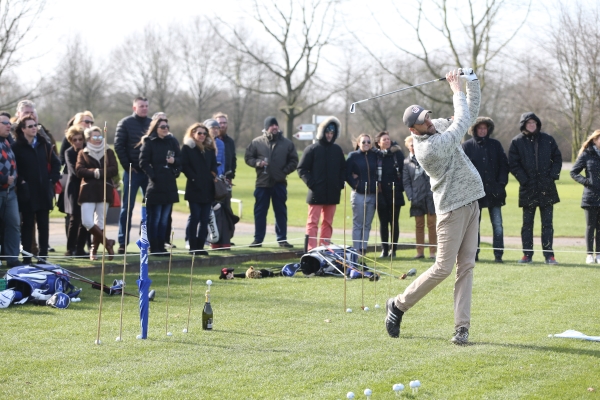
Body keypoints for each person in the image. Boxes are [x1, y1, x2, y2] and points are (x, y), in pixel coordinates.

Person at [385, 69, 482, 345]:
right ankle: (398, 305)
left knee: (467, 267)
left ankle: (461, 328)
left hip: (472, 201)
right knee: (442, 268)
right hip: (451, 209)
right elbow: (461, 121)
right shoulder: (428, 148)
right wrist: (455, 91)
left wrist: (471, 81)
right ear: (412, 130)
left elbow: (469, 115)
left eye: (427, 116)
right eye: (423, 121)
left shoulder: (436, 125)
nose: (429, 121)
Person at [508, 112, 562, 265]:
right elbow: (513, 164)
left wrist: (552, 176)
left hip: (547, 189)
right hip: (528, 189)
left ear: (537, 124)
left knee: (547, 224)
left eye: (533, 122)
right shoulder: (517, 142)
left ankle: (549, 256)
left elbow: (557, 159)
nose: (531, 125)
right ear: (524, 125)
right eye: (528, 123)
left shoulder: (548, 140)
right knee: (527, 225)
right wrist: (524, 180)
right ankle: (527, 255)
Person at [12, 114, 61, 264]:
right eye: (30, 126)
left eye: (35, 126)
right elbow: (14, 169)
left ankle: (43, 256)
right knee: (27, 226)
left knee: (44, 225)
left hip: (43, 191)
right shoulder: (16, 147)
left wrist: (51, 180)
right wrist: (21, 182)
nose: (34, 128)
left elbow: (56, 163)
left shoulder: (44, 144)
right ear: (22, 129)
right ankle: (27, 257)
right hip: (26, 192)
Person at [244, 116, 298, 248]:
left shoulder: (287, 143)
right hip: (262, 183)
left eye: (276, 125)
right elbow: (248, 157)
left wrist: (284, 172)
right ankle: (258, 239)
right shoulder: (257, 142)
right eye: (271, 125)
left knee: (280, 212)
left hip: (279, 183)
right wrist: (258, 163)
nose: (274, 127)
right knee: (260, 212)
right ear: (266, 128)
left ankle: (282, 239)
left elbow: (294, 161)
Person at [462, 117, 509, 263]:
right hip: (475, 194)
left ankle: (498, 255)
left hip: (495, 192)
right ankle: (473, 255)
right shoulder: (467, 146)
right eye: (480, 128)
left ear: (488, 129)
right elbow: (463, 169)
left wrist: (501, 184)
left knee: (498, 225)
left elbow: (504, 166)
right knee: (474, 226)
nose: (482, 130)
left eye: (485, 128)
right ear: (475, 130)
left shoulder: (496, 145)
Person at [297, 116, 346, 251]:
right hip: (316, 193)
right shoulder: (312, 149)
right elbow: (301, 169)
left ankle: (324, 249)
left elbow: (344, 169)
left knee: (328, 223)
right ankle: (311, 250)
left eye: (332, 133)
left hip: (333, 193)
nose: (329, 135)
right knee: (312, 223)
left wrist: (340, 184)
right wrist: (312, 184)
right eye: (327, 132)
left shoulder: (337, 150)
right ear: (322, 132)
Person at [114, 96, 152, 253]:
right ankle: (123, 242)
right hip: (132, 172)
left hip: (148, 173)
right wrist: (128, 166)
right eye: (141, 106)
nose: (144, 108)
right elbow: (119, 145)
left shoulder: (152, 123)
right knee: (127, 208)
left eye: (146, 106)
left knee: (148, 208)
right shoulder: (125, 123)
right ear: (134, 107)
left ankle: (145, 240)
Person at [139, 117, 181, 255]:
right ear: (156, 128)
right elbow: (143, 162)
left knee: (164, 220)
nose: (165, 129)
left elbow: (180, 160)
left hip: (169, 183)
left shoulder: (172, 141)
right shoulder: (149, 142)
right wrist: (154, 175)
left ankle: (161, 246)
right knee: (155, 218)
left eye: (167, 126)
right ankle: (154, 246)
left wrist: (174, 164)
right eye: (162, 127)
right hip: (156, 185)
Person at [76, 126, 118, 260]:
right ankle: (108, 243)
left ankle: (93, 251)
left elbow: (114, 169)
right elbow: (79, 170)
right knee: (87, 221)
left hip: (104, 189)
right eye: (95, 137)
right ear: (89, 138)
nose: (98, 139)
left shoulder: (108, 152)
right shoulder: (83, 152)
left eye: (100, 137)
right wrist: (95, 172)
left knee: (100, 222)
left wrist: (99, 172)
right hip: (87, 191)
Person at [181, 123, 218, 256]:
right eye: (199, 133)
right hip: (194, 187)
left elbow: (214, 165)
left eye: (204, 133)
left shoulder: (209, 149)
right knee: (195, 217)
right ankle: (192, 246)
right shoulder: (187, 148)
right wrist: (194, 178)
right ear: (193, 134)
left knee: (204, 218)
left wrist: (212, 175)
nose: (202, 136)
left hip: (208, 188)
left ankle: (200, 246)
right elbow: (184, 166)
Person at [402, 135, 437, 260]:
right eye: (411, 145)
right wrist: (411, 196)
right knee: (419, 225)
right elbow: (406, 182)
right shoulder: (406, 163)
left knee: (432, 225)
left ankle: (433, 252)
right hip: (416, 198)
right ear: (408, 147)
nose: (414, 146)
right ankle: (420, 252)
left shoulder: (428, 158)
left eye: (416, 144)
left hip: (430, 196)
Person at [570, 129, 600, 264]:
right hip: (590, 197)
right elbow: (574, 172)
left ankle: (599, 255)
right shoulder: (587, 154)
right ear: (595, 140)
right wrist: (587, 182)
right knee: (590, 226)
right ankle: (589, 254)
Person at [373, 131, 405, 258]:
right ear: (379, 143)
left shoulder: (397, 154)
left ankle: (394, 250)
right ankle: (384, 249)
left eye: (388, 139)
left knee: (394, 222)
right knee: (383, 222)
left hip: (394, 192)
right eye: (384, 140)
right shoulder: (376, 156)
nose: (387, 141)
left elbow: (403, 171)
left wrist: (399, 188)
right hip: (381, 193)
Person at [345, 133, 378, 255]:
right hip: (358, 194)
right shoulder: (353, 156)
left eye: (368, 142)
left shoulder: (374, 156)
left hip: (372, 195)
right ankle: (356, 248)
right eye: (363, 142)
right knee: (358, 223)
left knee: (367, 224)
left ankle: (363, 248)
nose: (366, 144)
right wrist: (356, 185)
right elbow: (347, 174)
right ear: (358, 143)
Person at [64, 126, 89, 257]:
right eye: (75, 140)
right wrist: (89, 172)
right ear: (71, 140)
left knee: (86, 218)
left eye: (80, 139)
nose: (78, 142)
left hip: (86, 187)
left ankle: (80, 248)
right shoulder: (69, 152)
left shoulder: (88, 151)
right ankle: (70, 248)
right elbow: (74, 171)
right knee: (75, 218)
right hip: (74, 188)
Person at [0, 112, 20, 267]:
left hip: (10, 193)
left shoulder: (7, 142)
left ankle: (12, 259)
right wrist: (3, 179)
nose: (9, 125)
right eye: (4, 123)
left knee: (13, 223)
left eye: (9, 123)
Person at [213, 112, 237, 180]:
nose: (223, 125)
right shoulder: (210, 141)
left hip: (226, 178)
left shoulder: (230, 141)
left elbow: (233, 159)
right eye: (220, 123)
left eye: (224, 123)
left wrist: (231, 175)